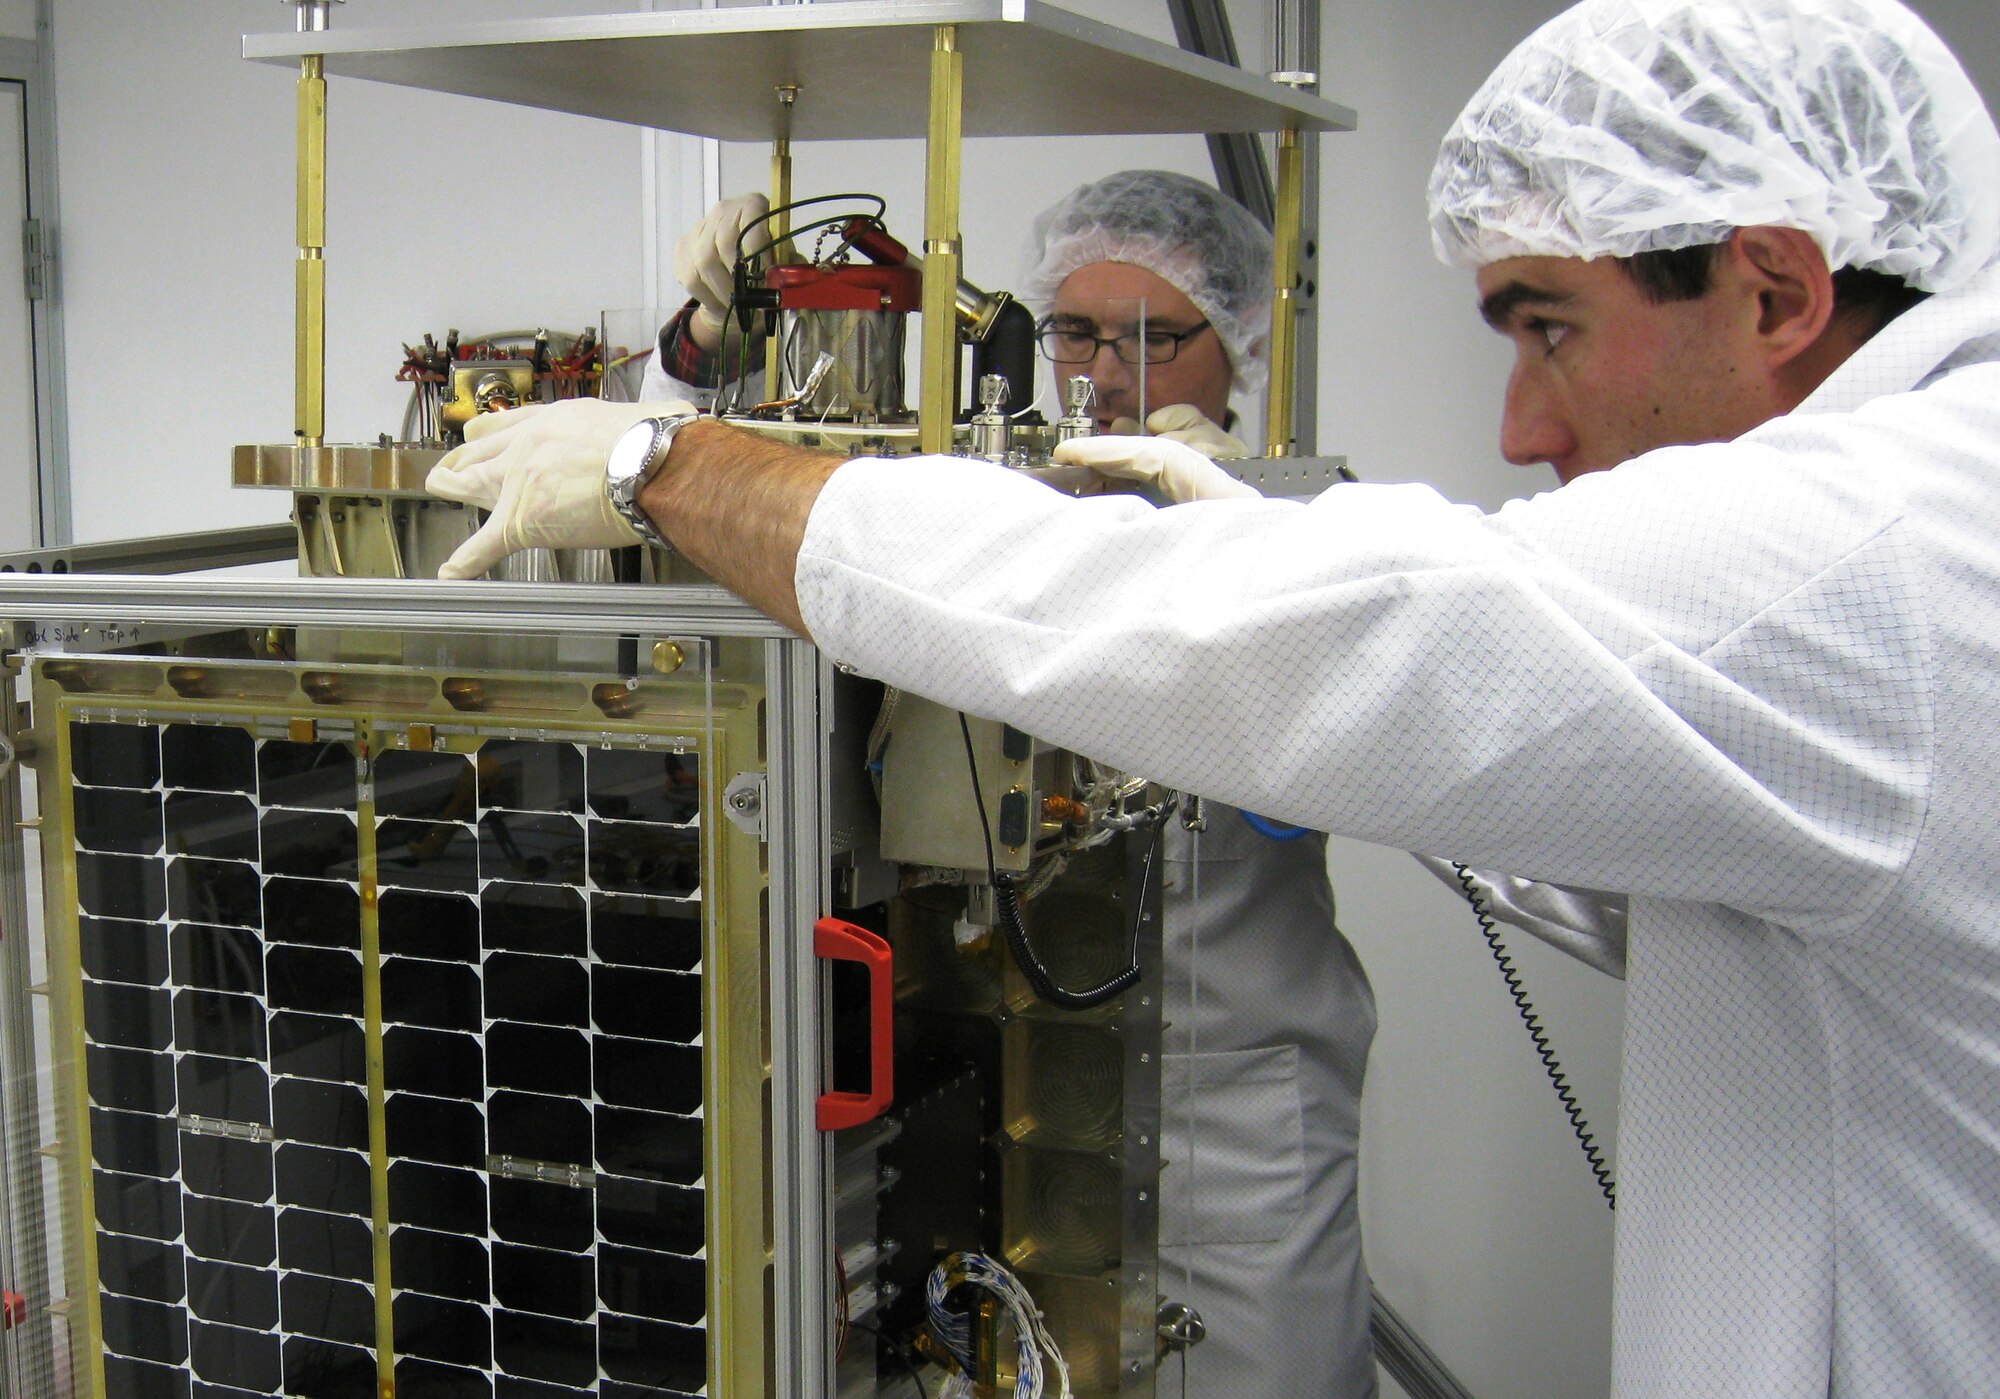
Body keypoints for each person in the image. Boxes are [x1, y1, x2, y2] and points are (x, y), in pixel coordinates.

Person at [425, 1, 2000, 1394]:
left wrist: (664, 461)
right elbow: (1618, 851)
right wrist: (692, 384)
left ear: (1781, 289)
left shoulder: (1871, 551)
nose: (1523, 426)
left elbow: (1328, 655)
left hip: (1233, 1121)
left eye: (1548, 325)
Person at [642, 169, 1381, 1398]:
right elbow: (762, 524)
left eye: (1153, 336)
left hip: (1223, 1115)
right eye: (1079, 333)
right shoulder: (999, 512)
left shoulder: (1298, 526)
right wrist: (699, 349)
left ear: (1236, 344)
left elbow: (1314, 780)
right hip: (1019, 1094)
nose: (1104, 370)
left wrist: (1232, 539)